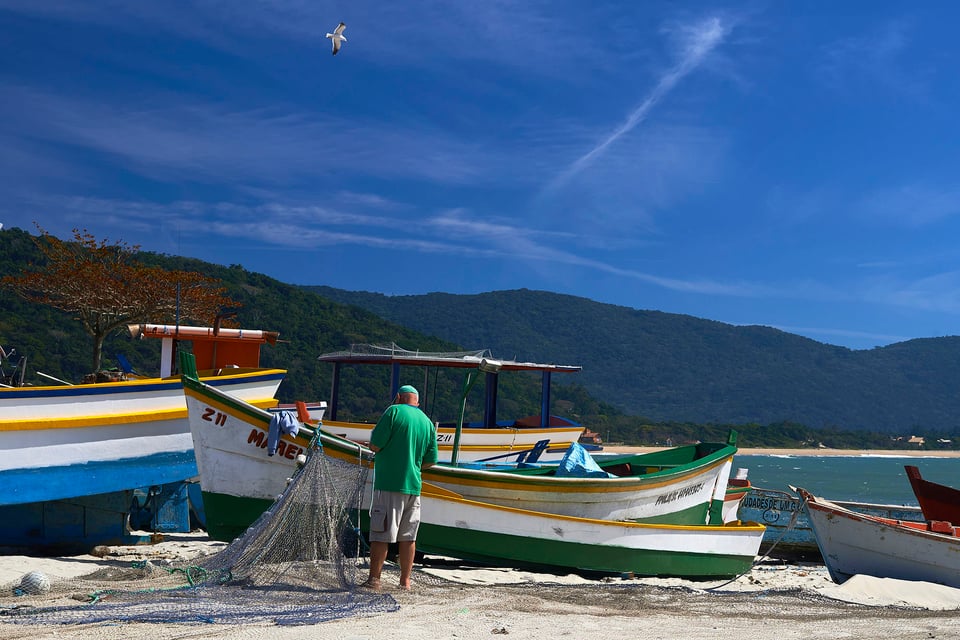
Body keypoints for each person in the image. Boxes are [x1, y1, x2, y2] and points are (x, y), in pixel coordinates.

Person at [362, 384, 438, 590]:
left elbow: (375, 445)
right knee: (408, 537)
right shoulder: (427, 422)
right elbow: (431, 460)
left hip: (389, 484)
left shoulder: (393, 411)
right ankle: (405, 582)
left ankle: (374, 580)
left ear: (398, 397)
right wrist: (412, 466)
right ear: (417, 402)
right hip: (414, 486)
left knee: (381, 534)